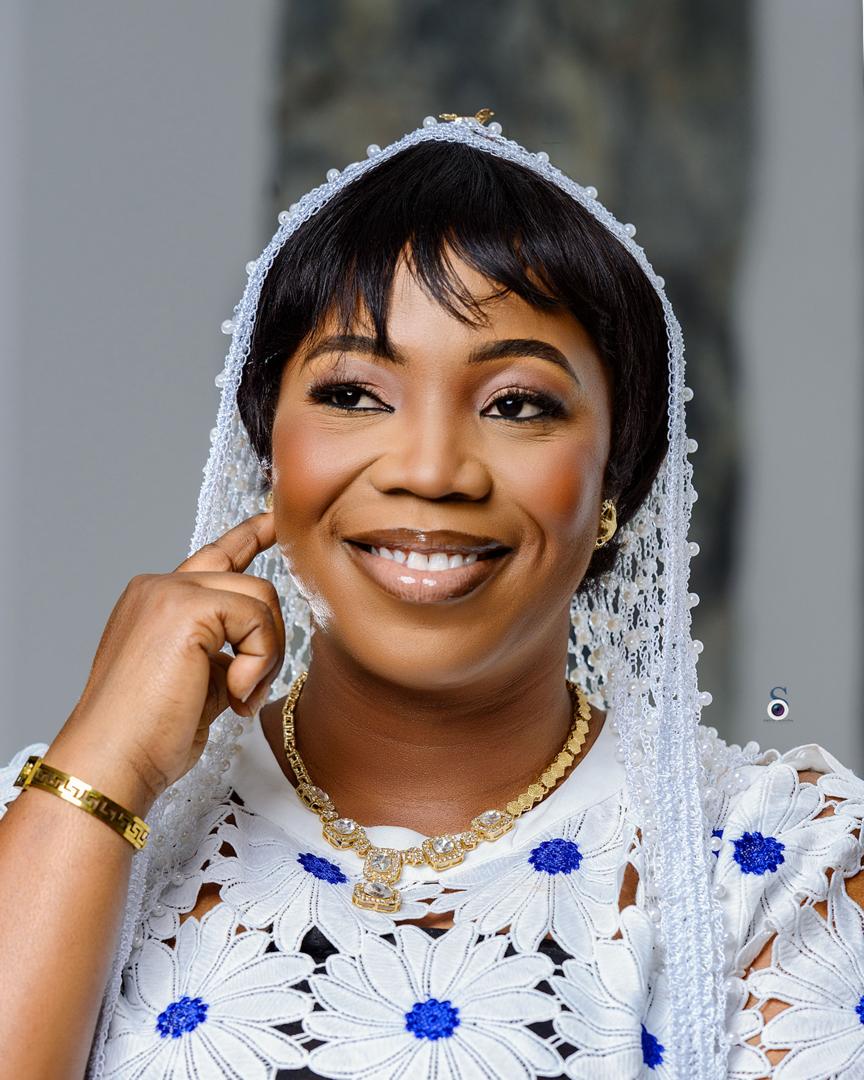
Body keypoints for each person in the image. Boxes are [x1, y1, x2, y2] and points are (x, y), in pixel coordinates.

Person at [1, 111, 862, 1080]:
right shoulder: (72, 817)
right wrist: (100, 764)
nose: (430, 469)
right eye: (354, 395)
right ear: (268, 452)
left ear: (616, 483)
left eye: (516, 405)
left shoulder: (777, 869)